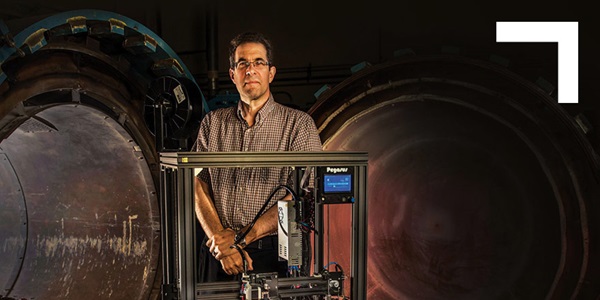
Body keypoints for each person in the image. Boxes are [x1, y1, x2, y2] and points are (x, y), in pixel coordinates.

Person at [194, 31, 323, 283]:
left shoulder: (298, 125)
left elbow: (301, 195)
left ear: (271, 73)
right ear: (233, 75)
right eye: (242, 63)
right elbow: (198, 183)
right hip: (218, 250)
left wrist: (241, 239)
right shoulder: (213, 123)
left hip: (270, 253)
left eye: (258, 63)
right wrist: (221, 240)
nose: (250, 70)